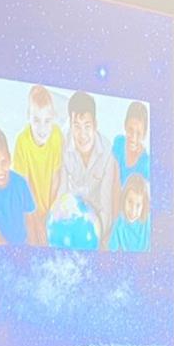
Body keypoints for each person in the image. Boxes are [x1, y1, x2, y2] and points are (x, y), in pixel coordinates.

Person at [57, 91, 118, 247]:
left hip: (96, 217)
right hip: (73, 212)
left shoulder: (107, 153)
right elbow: (61, 197)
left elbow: (106, 207)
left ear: (95, 125)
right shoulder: (62, 146)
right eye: (76, 126)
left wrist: (94, 238)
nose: (82, 134)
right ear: (70, 124)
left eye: (87, 126)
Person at [11, 84, 63, 241]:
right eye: (36, 120)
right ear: (28, 117)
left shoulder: (56, 135)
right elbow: (24, 186)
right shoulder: (22, 142)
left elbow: (56, 178)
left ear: (53, 118)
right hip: (29, 205)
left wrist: (50, 212)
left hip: (50, 205)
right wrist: (36, 217)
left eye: (47, 121)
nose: (42, 128)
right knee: (33, 238)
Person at [0, 127, 38, 245]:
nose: (0, 170)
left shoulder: (20, 183)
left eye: (4, 162)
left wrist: (32, 249)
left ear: (9, 158)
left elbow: (30, 221)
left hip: (24, 246)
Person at [109, 174, 151, 252]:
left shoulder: (149, 224)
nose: (133, 211)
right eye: (130, 202)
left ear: (144, 206)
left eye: (138, 205)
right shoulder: (118, 225)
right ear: (124, 198)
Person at [112, 101, 150, 186]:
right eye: (130, 130)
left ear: (144, 134)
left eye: (139, 133)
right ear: (125, 125)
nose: (133, 138)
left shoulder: (146, 165)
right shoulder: (119, 143)